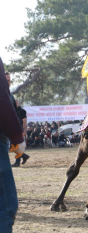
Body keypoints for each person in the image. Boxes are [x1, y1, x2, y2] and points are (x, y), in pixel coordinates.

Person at [0, 60, 25, 232]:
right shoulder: (6, 95)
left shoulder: (13, 98)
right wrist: (17, 135)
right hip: (4, 134)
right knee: (5, 206)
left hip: (7, 134)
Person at [11, 100, 30, 167]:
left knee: (15, 146)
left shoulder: (22, 111)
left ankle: (17, 162)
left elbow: (24, 121)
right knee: (13, 146)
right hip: (13, 130)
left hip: (19, 130)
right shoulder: (13, 111)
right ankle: (23, 156)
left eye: (15, 102)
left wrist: (24, 130)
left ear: (18, 103)